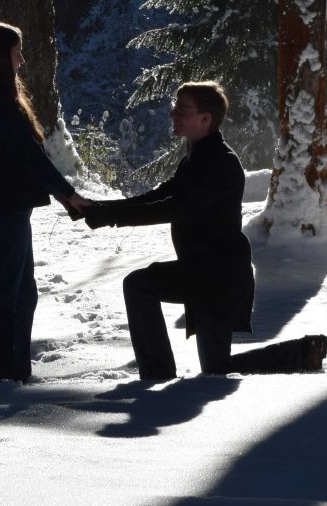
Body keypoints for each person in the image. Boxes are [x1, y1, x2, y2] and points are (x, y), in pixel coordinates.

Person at [0, 22, 88, 389]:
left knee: (20, 293)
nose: (22, 60)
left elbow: (27, 157)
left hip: (2, 207)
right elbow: (30, 157)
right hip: (1, 209)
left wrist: (61, 193)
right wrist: (67, 193)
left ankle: (12, 371)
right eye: (16, 52)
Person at [81, 81, 254, 379]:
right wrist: (102, 207)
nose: (173, 115)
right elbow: (159, 196)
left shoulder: (221, 163)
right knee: (216, 370)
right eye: (174, 107)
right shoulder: (194, 158)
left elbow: (175, 207)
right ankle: (157, 374)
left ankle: (299, 355)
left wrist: (111, 217)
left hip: (218, 279)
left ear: (205, 119)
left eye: (182, 110)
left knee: (216, 372)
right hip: (201, 274)